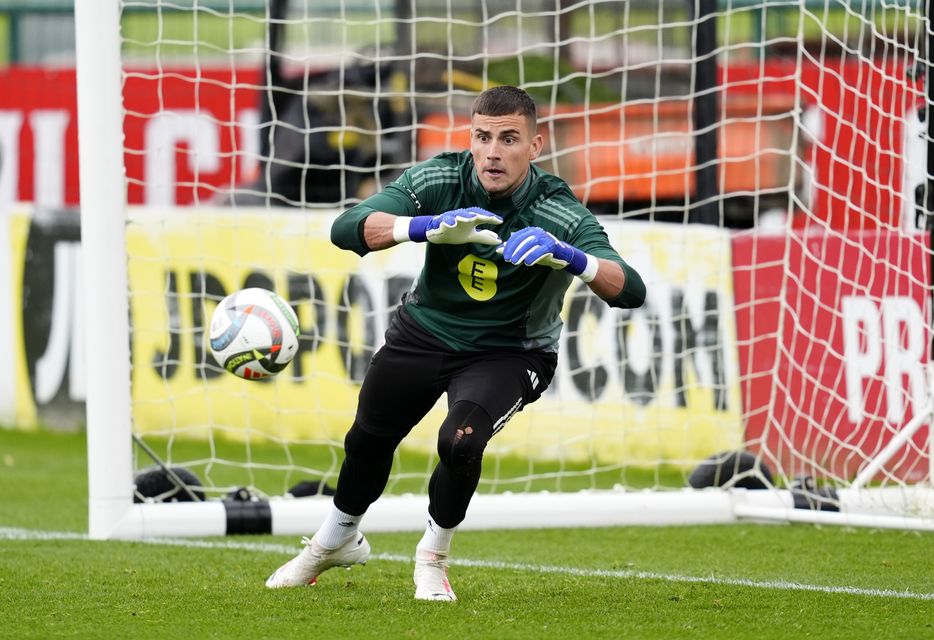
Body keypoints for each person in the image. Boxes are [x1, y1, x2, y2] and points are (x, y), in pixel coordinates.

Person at [265, 85, 646, 601]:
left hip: (510, 351)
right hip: (424, 331)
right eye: (483, 137)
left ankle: (432, 557)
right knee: (368, 439)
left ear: (535, 146)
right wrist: (420, 228)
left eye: (509, 138)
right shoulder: (440, 178)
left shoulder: (557, 211)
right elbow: (347, 226)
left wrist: (572, 258)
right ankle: (335, 541)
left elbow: (631, 288)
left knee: (461, 442)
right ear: (470, 139)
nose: (493, 152)